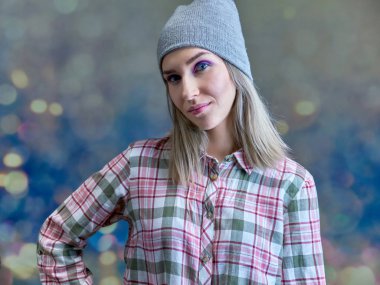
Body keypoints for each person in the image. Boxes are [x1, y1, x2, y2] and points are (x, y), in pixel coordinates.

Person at [37, 0, 326, 284]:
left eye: (201, 66)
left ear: (234, 68)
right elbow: (56, 239)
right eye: (173, 78)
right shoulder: (138, 164)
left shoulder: (291, 185)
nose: (187, 91)